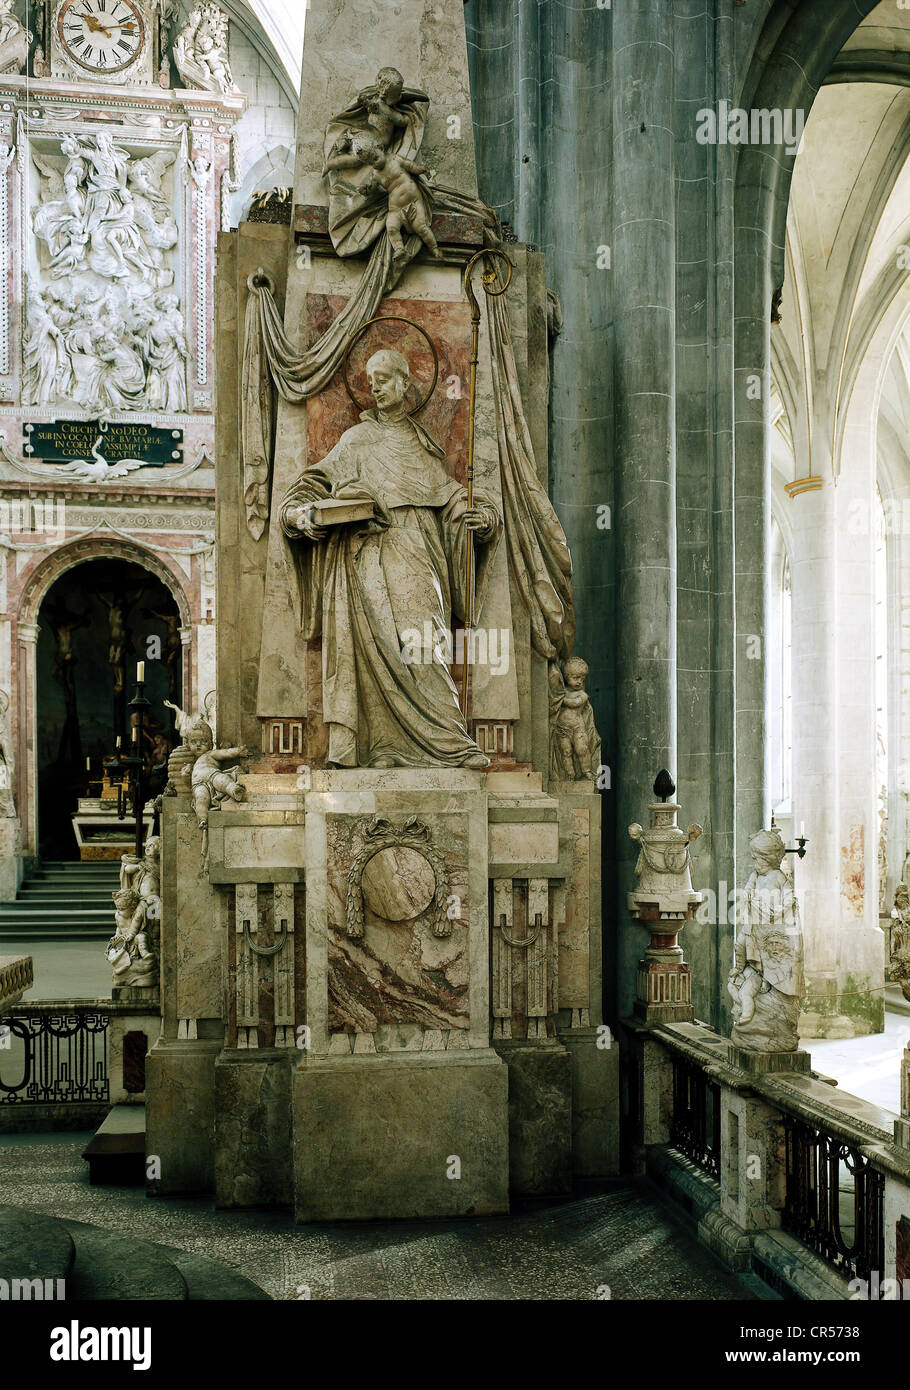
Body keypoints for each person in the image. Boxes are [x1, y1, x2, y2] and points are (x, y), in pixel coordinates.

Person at [281, 348, 500, 768]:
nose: (375, 386)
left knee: (427, 644)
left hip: (420, 548)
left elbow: (449, 494)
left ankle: (448, 741)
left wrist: (480, 516)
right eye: (370, 379)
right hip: (369, 555)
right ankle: (384, 746)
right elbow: (312, 486)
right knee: (376, 650)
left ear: (405, 383)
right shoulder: (356, 441)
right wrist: (301, 514)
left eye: (383, 378)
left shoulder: (422, 446)